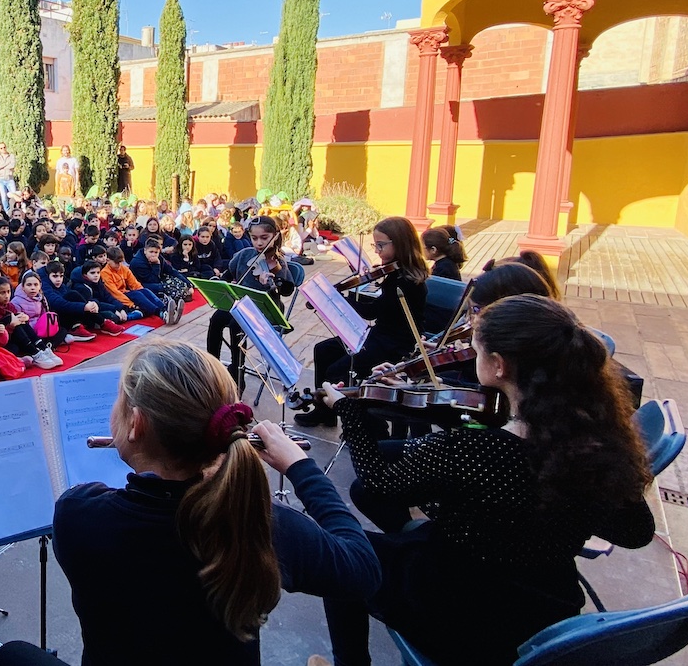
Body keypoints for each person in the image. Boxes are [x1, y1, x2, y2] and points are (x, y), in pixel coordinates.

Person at [317, 294, 655, 665]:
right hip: (544, 610)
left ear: (498, 366)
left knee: (339, 553)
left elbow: (378, 483)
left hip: (465, 611)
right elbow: (635, 532)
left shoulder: (474, 450)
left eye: (475, 353)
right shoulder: (595, 443)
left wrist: (350, 411)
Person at [48, 341, 379, 665]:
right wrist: (301, 468)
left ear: (136, 424)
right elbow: (363, 570)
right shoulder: (258, 524)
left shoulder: (77, 514)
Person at [299, 216, 429, 427]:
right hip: (380, 335)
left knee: (336, 370)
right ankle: (324, 411)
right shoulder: (394, 272)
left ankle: (354, 421)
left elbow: (371, 312)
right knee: (323, 350)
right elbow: (380, 306)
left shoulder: (406, 281)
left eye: (381, 245)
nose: (376, 251)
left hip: (394, 343)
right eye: (374, 245)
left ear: (400, 244)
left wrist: (338, 298)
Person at [205, 216, 302, 386]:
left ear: (276, 236)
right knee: (216, 319)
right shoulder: (244, 255)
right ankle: (212, 366)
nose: (259, 243)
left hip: (264, 311)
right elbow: (229, 274)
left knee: (237, 324)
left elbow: (287, 290)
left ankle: (237, 373)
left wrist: (274, 284)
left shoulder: (278, 261)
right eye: (254, 238)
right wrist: (221, 281)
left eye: (264, 238)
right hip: (241, 305)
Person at [0, 142, 17, 209]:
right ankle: (7, 211)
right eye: (1, 148)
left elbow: (12, 165)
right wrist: (7, 164)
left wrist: (2, 167)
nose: (3, 149)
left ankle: (13, 209)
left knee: (14, 195)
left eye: (4, 147)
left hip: (9, 178)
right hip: (0, 179)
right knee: (4, 197)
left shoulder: (11, 156)